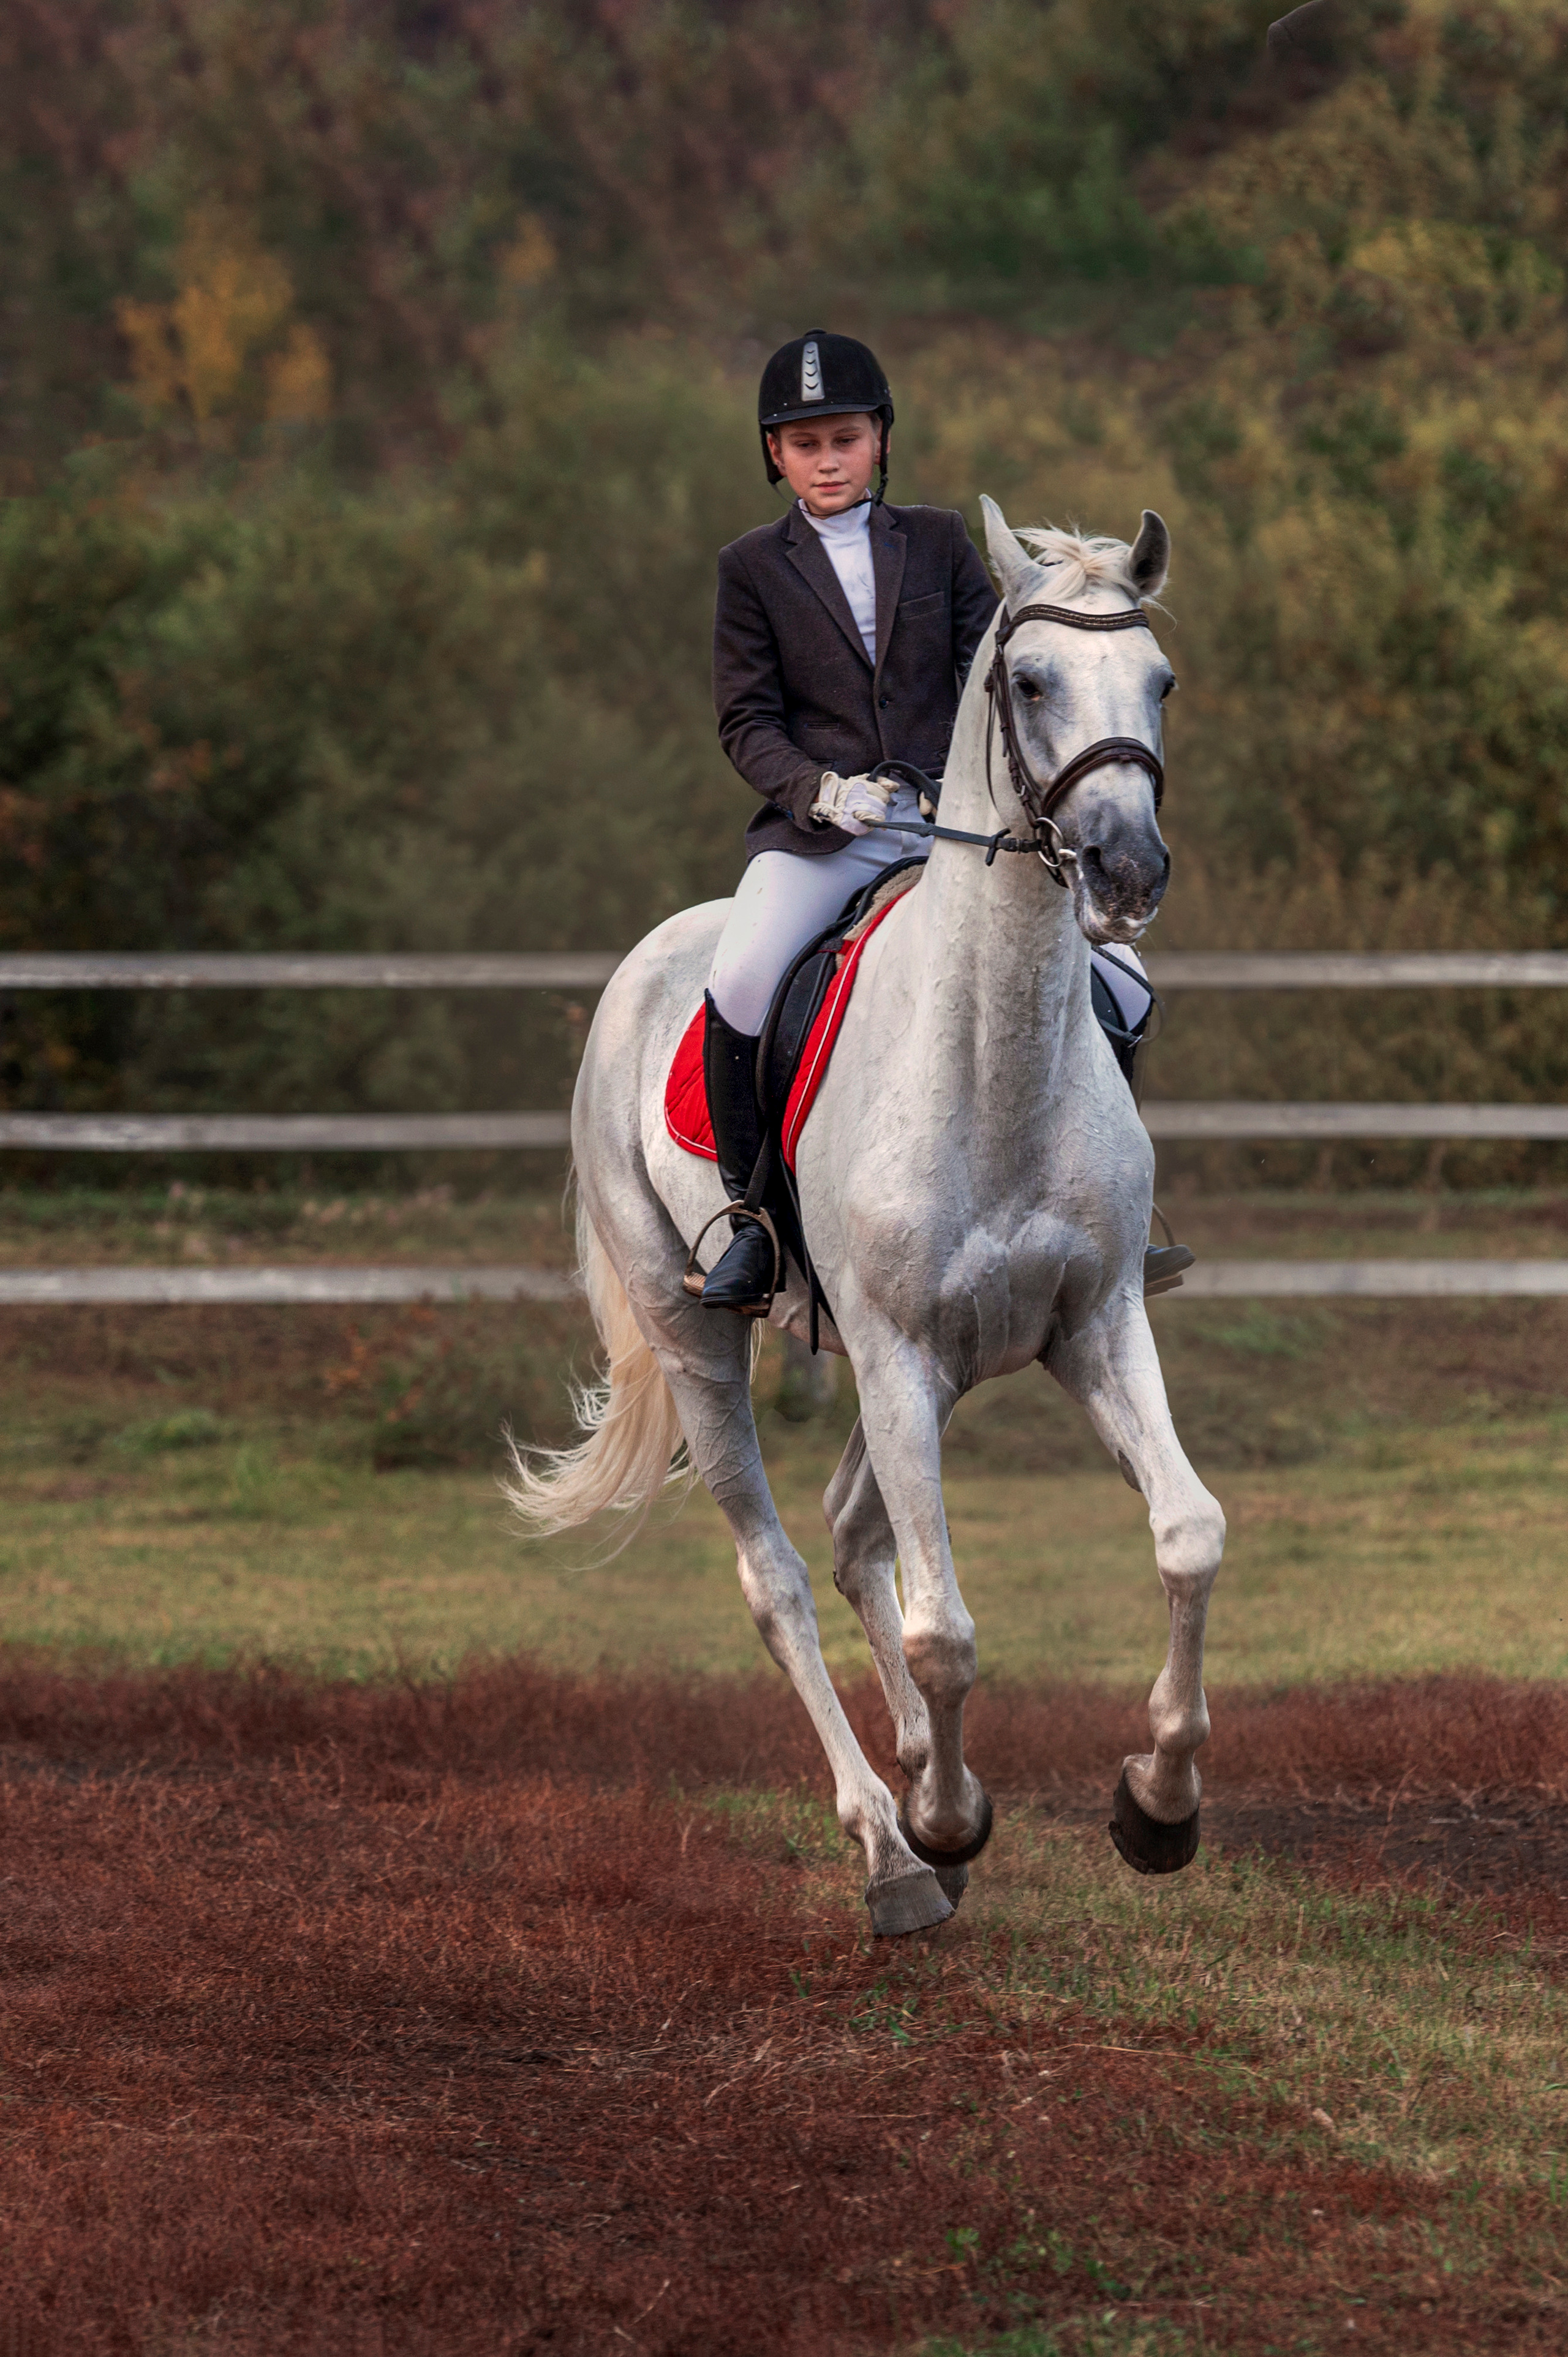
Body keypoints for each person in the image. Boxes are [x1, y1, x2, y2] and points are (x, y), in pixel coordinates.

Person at [701, 329, 1159, 1313]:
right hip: (820, 838)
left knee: (1122, 977)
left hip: (947, 831)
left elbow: (985, 680)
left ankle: (1111, 1203)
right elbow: (747, 720)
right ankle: (752, 1221)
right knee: (740, 978)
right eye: (805, 443)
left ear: (881, 441)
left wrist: (960, 790)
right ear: (774, 455)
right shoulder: (751, 568)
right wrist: (820, 791)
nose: (828, 460)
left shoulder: (942, 541)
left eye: (847, 439)